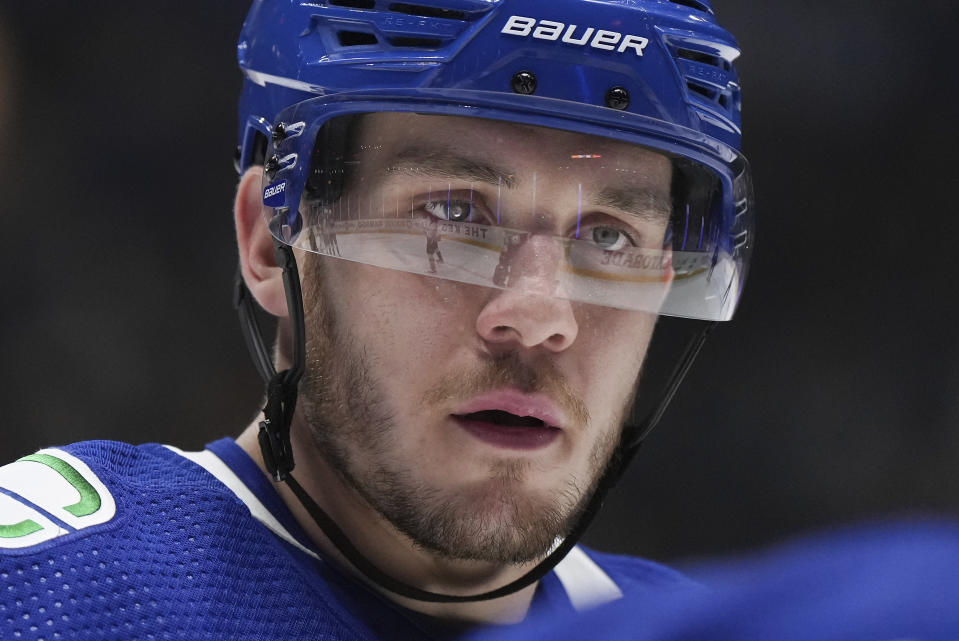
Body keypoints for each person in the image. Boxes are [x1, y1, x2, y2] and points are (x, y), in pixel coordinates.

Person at [0, 1, 752, 639]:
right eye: (453, 215)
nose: (537, 317)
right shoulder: (52, 596)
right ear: (269, 244)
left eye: (609, 237)